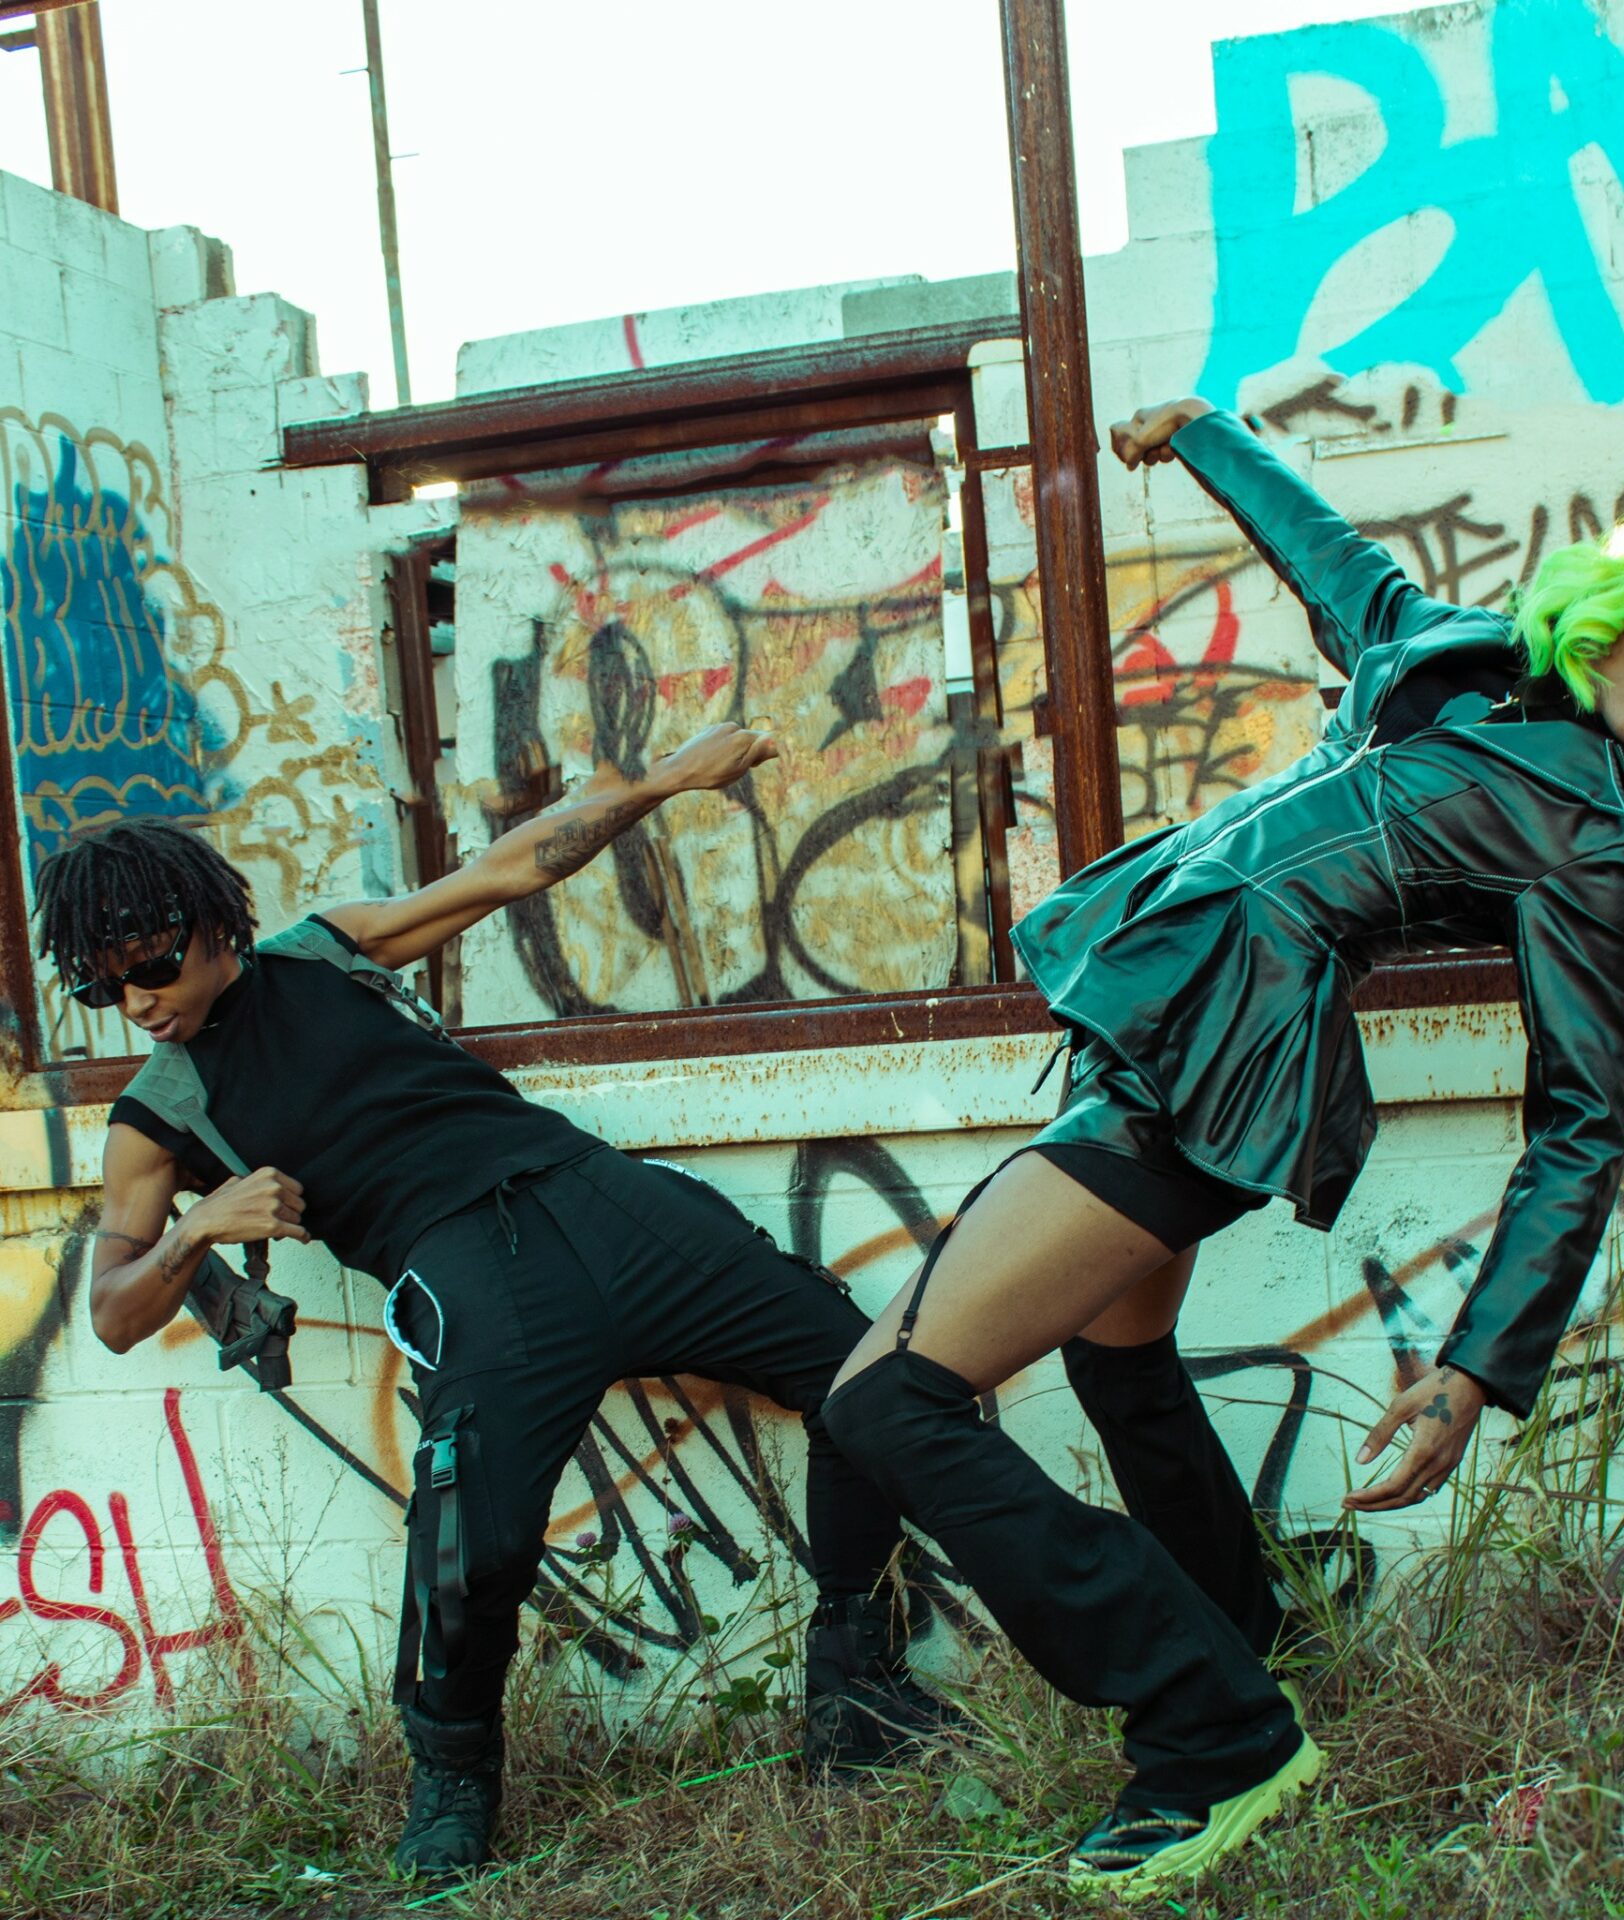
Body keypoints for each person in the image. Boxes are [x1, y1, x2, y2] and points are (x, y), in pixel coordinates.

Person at [820, 395, 1624, 1895]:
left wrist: (1475, 1369)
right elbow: (1328, 555)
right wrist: (1200, 432)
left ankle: (1212, 1733)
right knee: (1118, 1366)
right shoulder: (1449, 653)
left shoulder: (1597, 839)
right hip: (1158, 1033)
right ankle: (1255, 1643)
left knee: (885, 1402)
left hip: (1215, 1077)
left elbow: (1578, 1121)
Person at [36, 724, 959, 1880]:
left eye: (152, 965)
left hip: (599, 1196)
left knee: (862, 1377)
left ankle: (856, 1690)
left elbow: (505, 871)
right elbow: (113, 1313)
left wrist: (665, 780)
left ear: (213, 923)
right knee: (470, 1547)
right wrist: (197, 1227)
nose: (134, 1001)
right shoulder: (158, 1113)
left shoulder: (324, 953)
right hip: (471, 1275)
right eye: (101, 984)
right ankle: (452, 1783)